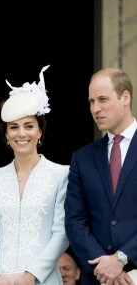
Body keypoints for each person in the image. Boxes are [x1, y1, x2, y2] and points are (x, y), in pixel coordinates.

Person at [0, 65, 70, 285]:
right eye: (13, 127)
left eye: (29, 126)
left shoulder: (61, 174)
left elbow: (62, 233)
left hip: (43, 280)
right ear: (6, 135)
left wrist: (31, 276)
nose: (21, 134)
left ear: (40, 131)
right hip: (1, 281)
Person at [64, 68, 137, 284]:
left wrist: (122, 258)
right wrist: (105, 266)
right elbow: (75, 220)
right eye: (91, 101)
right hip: (98, 277)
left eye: (102, 99)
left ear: (125, 97)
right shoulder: (82, 158)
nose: (95, 109)